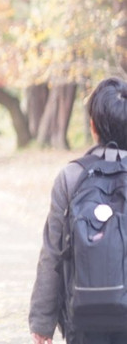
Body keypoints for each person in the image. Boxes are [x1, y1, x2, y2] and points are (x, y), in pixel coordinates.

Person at [30, 77, 127, 344]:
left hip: (83, 316)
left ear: (93, 126)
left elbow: (52, 254)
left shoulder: (72, 176)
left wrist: (42, 321)